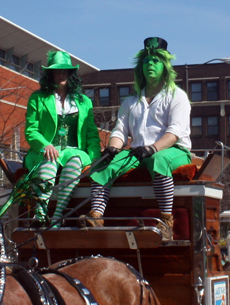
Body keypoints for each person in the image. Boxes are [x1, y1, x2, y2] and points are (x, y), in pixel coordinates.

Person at [85, 37, 191, 241]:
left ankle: (166, 220)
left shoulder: (177, 96)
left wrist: (152, 149)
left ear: (165, 66)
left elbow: (174, 132)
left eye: (156, 61)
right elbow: (119, 131)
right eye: (146, 61)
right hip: (138, 153)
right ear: (140, 67)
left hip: (173, 151)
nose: (150, 65)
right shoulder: (131, 102)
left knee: (157, 160)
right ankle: (96, 216)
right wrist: (113, 148)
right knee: (101, 163)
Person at [25, 50, 101, 227]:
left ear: (70, 74)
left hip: (74, 151)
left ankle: (58, 217)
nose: (60, 74)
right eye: (56, 71)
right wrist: (45, 145)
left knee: (74, 160)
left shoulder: (84, 102)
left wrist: (95, 158)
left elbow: (91, 134)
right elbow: (31, 130)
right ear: (50, 74)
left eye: (64, 70)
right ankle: (40, 212)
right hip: (44, 151)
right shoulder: (37, 98)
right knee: (50, 159)